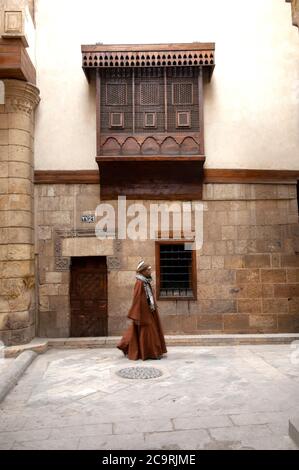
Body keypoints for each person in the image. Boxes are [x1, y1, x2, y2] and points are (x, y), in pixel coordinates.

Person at [117, 260, 167, 360]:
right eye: (148, 270)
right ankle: (149, 353)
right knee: (146, 331)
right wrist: (137, 314)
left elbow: (149, 297)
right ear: (143, 271)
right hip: (143, 313)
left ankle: (143, 351)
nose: (150, 271)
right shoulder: (140, 283)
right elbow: (137, 299)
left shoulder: (145, 282)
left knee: (139, 331)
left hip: (149, 311)